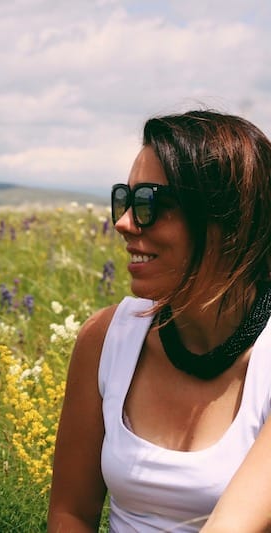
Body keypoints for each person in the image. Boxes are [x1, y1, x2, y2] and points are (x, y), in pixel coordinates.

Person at [47, 109, 271, 532]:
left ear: (229, 220)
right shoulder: (106, 338)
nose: (124, 222)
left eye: (151, 203)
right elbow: (71, 513)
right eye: (125, 199)